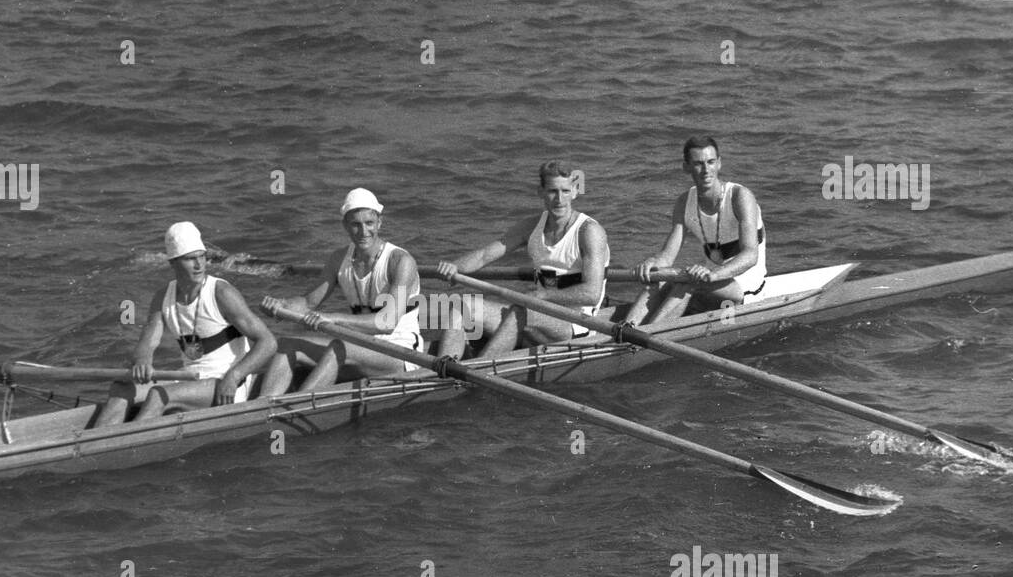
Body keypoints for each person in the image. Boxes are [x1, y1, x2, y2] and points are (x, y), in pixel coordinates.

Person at [93, 221, 277, 426]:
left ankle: (125, 445)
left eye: (202, 256)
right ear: (173, 262)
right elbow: (147, 344)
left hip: (227, 385)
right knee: (122, 386)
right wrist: (143, 361)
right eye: (191, 259)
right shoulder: (162, 297)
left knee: (158, 395)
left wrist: (234, 377)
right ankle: (93, 442)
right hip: (191, 381)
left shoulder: (222, 293)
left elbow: (268, 342)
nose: (199, 265)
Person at [436, 160, 609, 359]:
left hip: (576, 324)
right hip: (536, 313)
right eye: (553, 191)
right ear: (541, 192)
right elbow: (484, 255)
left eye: (565, 191)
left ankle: (477, 372)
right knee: (462, 306)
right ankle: (444, 373)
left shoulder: (589, 232)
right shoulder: (531, 226)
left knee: (520, 311)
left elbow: (591, 294)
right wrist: (454, 267)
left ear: (575, 192)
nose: (559, 199)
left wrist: (542, 296)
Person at [259, 188, 422, 394]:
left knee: (339, 347)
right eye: (355, 224)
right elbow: (308, 303)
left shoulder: (401, 261)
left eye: (369, 223)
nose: (363, 232)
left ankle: (294, 412)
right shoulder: (338, 259)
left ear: (379, 222)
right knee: (286, 344)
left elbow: (387, 323)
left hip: (402, 354)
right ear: (345, 225)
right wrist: (281, 306)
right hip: (361, 346)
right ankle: (261, 411)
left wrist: (332, 319)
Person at [624, 136, 766, 325]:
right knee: (659, 279)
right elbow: (667, 256)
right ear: (686, 167)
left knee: (688, 282)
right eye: (698, 164)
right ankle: (624, 330)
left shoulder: (740, 197)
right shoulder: (684, 202)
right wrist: (651, 264)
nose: (706, 170)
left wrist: (714, 275)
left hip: (746, 283)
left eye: (711, 162)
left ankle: (645, 337)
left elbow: (750, 255)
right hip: (710, 280)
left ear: (719, 163)